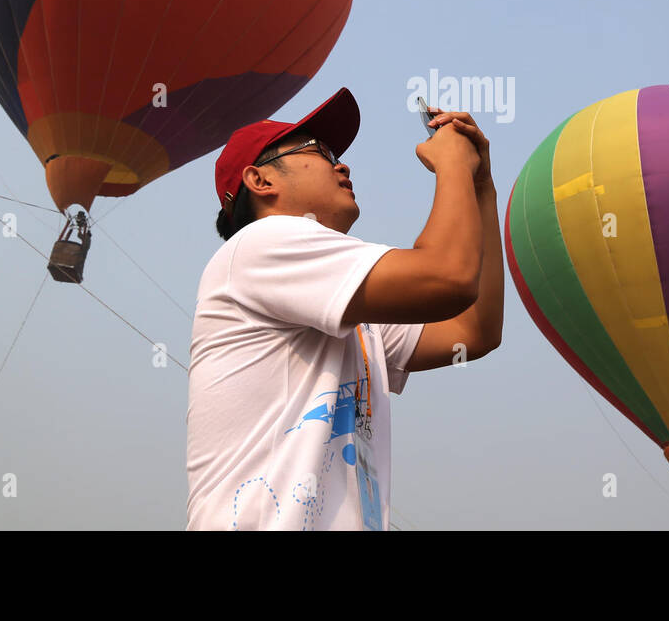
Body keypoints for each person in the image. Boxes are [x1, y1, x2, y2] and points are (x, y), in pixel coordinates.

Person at [185, 87, 503, 530]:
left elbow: (471, 331)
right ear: (260, 181)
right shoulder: (263, 243)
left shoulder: (339, 300)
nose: (342, 163)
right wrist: (452, 165)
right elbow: (448, 276)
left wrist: (479, 186)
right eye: (320, 150)